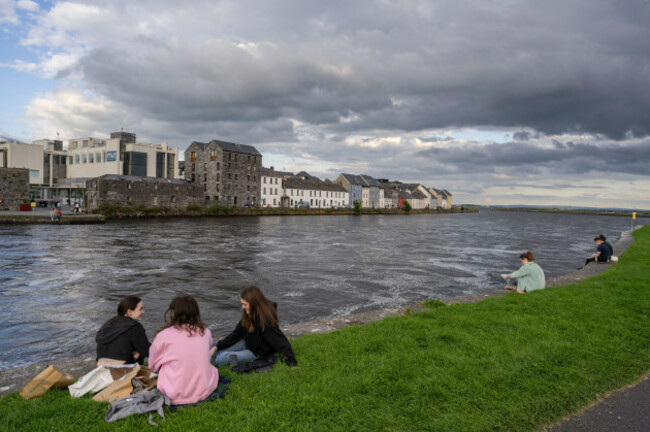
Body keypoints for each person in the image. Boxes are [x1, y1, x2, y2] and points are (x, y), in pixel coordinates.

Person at [148, 294, 219, 405]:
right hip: (204, 389)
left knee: (163, 364)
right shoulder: (206, 332)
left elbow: (152, 364)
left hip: (173, 393)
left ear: (173, 313)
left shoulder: (163, 335)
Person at [212, 286, 297, 367]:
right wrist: (217, 347)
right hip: (247, 342)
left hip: (257, 352)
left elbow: (280, 340)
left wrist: (291, 358)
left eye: (245, 304)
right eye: (242, 304)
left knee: (220, 359)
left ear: (254, 304)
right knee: (213, 347)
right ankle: (212, 354)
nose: (242, 307)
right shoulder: (248, 314)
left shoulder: (266, 321)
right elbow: (236, 333)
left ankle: (212, 358)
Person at [96, 296, 151, 366]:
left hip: (101, 367)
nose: (143, 312)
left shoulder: (108, 324)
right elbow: (146, 351)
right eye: (140, 309)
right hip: (121, 369)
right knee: (140, 351)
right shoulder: (135, 327)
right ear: (129, 312)